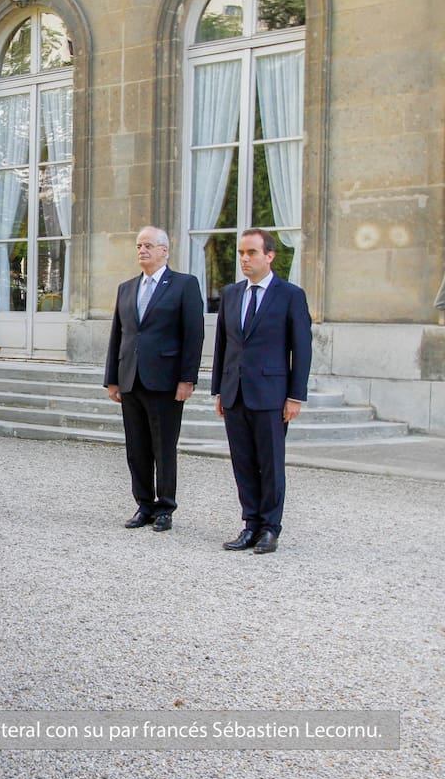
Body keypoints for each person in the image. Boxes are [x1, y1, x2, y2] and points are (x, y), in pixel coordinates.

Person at [212, 228, 313, 555]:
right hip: (235, 392)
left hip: (271, 394)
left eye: (251, 253)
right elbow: (222, 345)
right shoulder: (231, 293)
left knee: (270, 463)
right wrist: (219, 389)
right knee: (242, 462)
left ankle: (270, 528)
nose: (244, 258)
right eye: (241, 252)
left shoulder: (290, 295)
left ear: (269, 256)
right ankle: (250, 524)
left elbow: (302, 348)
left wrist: (295, 396)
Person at [104, 227, 204, 532]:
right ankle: (143, 505)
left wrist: (187, 379)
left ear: (164, 250)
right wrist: (112, 378)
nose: (142, 250)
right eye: (138, 246)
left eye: (148, 245)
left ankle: (165, 508)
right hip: (130, 378)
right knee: (136, 448)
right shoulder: (127, 288)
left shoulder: (184, 285)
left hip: (165, 381)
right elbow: (118, 335)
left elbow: (194, 334)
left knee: (163, 447)